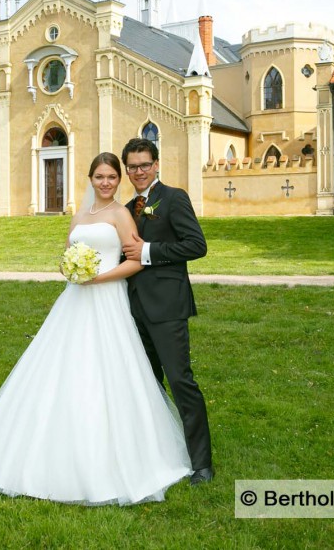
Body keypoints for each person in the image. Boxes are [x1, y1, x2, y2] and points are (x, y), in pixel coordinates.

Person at [0, 152, 191, 505]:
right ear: (91, 179)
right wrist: (71, 271)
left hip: (107, 299)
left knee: (108, 371)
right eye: (100, 176)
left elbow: (134, 260)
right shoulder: (79, 216)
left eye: (112, 176)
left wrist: (98, 278)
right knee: (59, 369)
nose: (106, 182)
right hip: (74, 300)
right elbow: (66, 255)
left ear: (118, 179)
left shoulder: (123, 214)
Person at [120, 138, 213, 485]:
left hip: (168, 308)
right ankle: (156, 453)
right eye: (132, 166)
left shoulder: (174, 198)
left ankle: (202, 463)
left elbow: (196, 245)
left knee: (180, 382)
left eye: (144, 164)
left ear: (157, 164)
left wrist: (149, 251)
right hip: (133, 310)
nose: (139, 171)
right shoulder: (129, 207)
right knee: (147, 385)